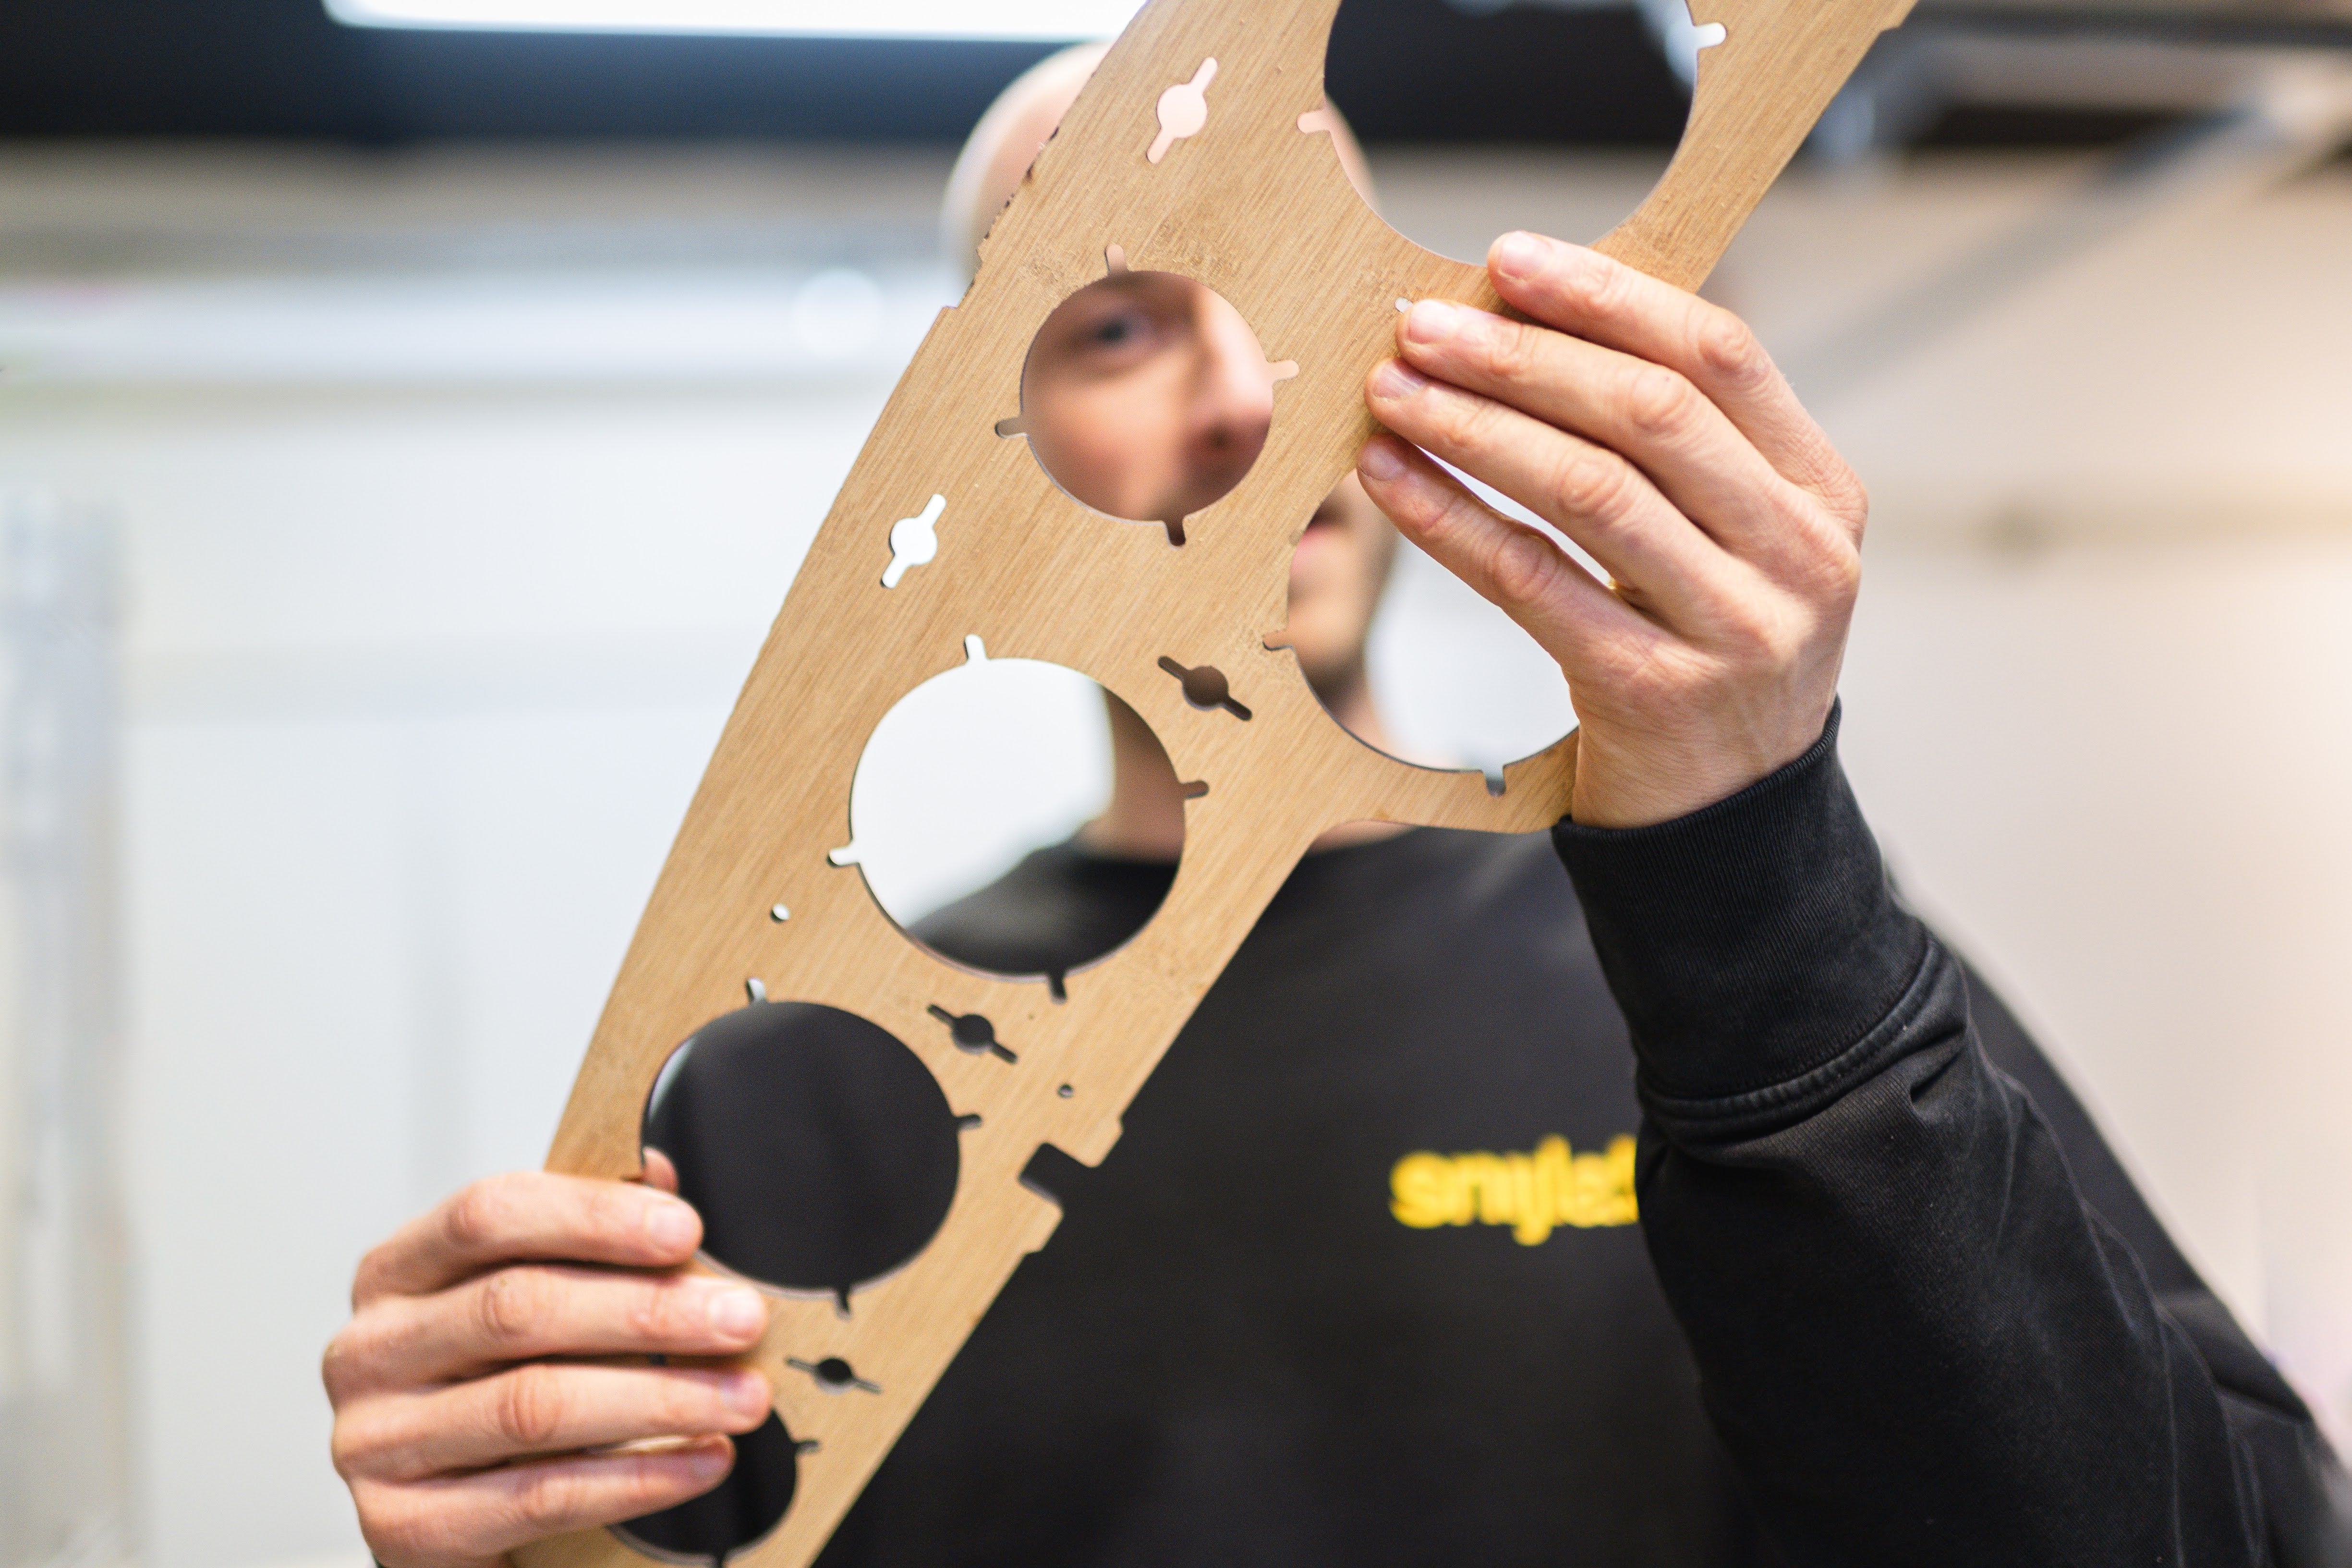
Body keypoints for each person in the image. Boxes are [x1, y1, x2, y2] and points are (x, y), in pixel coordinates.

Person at [322, 47, 2351, 1568]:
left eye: (1289, 279)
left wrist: (1761, 868)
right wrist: (509, 1517)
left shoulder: (1750, 974)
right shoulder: (796, 1093)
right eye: (1113, 317)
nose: (1233, 394)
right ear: (976, 435)